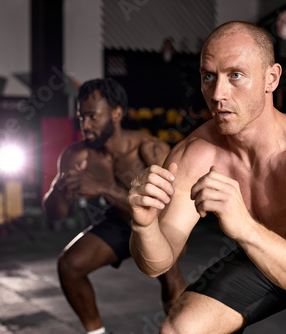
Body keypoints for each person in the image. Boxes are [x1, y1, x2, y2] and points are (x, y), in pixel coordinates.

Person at [128, 21, 286, 334]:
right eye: (209, 76)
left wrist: (244, 226)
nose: (218, 94)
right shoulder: (195, 154)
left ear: (270, 78)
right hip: (260, 252)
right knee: (178, 330)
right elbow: (157, 264)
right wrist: (143, 225)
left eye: (235, 75)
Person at [42, 78, 186, 334]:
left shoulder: (149, 149)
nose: (85, 125)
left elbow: (170, 210)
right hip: (119, 223)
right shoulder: (77, 155)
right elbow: (55, 214)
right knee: (69, 265)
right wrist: (60, 190)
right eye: (81, 117)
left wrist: (103, 188)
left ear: (116, 114)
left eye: (92, 117)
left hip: (159, 226)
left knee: (169, 270)